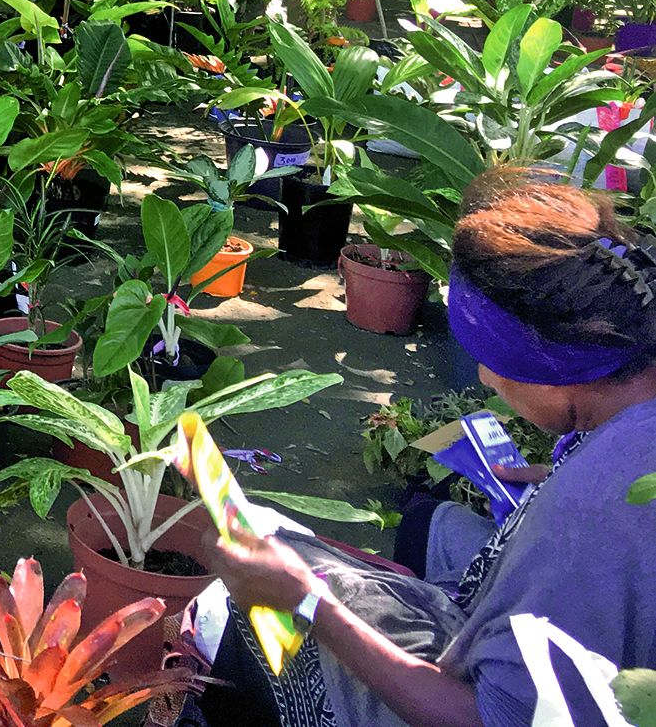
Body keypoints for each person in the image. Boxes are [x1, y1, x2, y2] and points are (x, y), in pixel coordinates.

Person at [197, 174, 656, 727]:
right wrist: (552, 477)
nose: (486, 378)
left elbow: (487, 719)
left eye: (492, 360)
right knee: (425, 525)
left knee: (240, 607)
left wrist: (310, 604)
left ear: (553, 368)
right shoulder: (629, 424)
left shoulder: (586, 518)